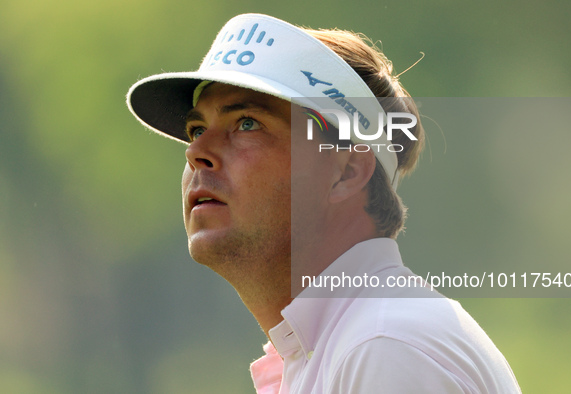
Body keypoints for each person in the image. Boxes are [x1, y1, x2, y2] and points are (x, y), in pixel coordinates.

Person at [126, 13, 521, 393]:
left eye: (247, 123)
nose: (196, 151)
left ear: (346, 172)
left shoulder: (383, 346)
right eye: (196, 129)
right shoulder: (347, 345)